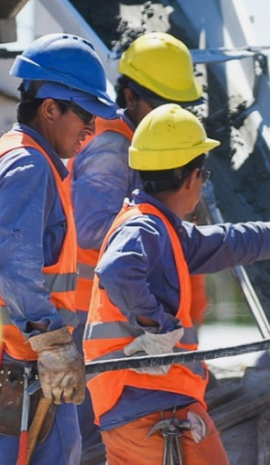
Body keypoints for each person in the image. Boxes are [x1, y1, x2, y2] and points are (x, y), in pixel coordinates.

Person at [83, 103, 270, 465]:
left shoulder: (162, 229)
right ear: (191, 178)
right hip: (152, 404)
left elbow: (239, 241)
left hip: (134, 405)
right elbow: (117, 269)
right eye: (204, 178)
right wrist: (156, 325)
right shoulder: (145, 227)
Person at [68, 31, 206, 450]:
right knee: (94, 442)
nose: (171, 116)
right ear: (128, 97)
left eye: (178, 107)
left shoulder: (140, 148)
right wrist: (161, 215)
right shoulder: (113, 148)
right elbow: (93, 229)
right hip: (97, 319)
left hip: (129, 319)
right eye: (162, 104)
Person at [0, 33, 119, 464]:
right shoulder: (30, 165)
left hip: (26, 362)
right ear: (50, 108)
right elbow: (12, 263)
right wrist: (50, 343)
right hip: (22, 364)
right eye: (85, 114)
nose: (91, 128)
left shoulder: (20, 157)